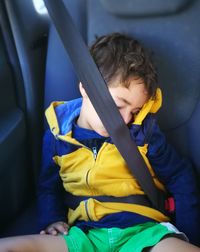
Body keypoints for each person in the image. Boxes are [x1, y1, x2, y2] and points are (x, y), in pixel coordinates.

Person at [0, 33, 200, 252]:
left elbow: (180, 175)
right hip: (82, 236)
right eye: (118, 105)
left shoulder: (143, 134)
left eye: (134, 111)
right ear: (85, 87)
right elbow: (48, 187)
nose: (125, 120)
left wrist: (188, 232)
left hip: (142, 233)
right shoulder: (58, 136)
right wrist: (51, 220)